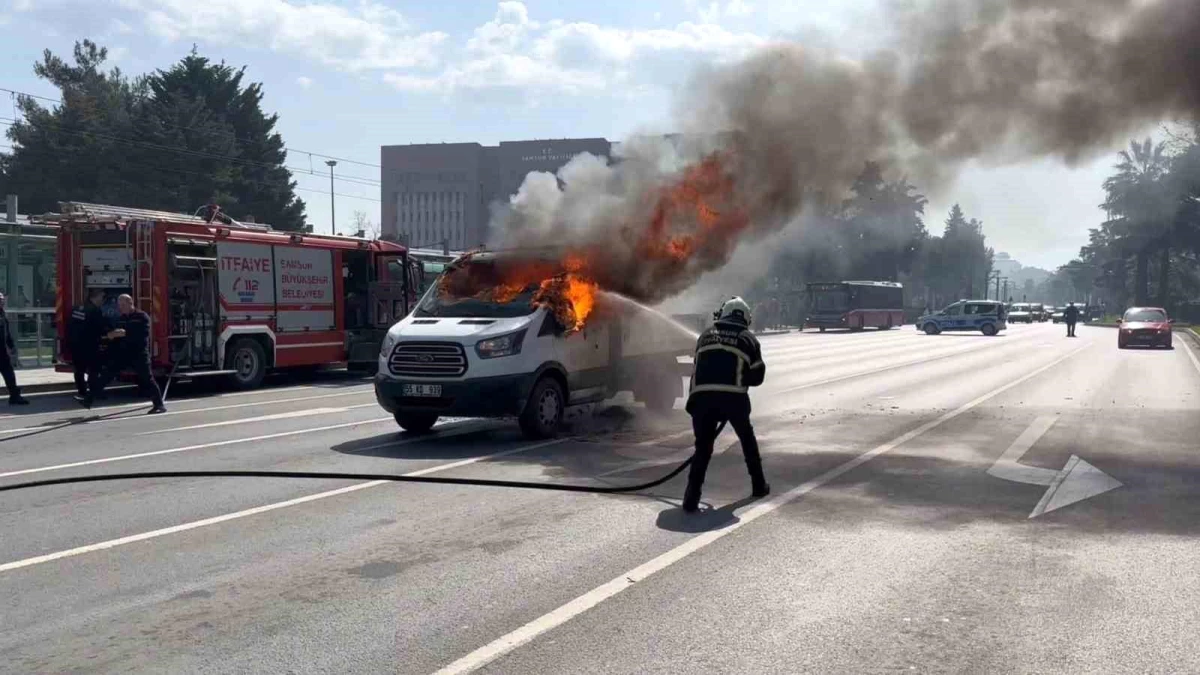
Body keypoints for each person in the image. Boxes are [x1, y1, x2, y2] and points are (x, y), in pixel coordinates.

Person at [682, 296, 769, 513]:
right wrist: (740, 377)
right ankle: (759, 486)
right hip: (733, 400)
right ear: (746, 318)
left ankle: (690, 499)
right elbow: (758, 376)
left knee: (703, 449)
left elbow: (698, 367)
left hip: (700, 399)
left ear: (722, 314)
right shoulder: (748, 339)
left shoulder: (704, 336)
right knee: (747, 440)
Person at [84, 294, 165, 414]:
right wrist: (110, 336)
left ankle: (159, 405)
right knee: (107, 375)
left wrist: (124, 333)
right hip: (123, 354)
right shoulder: (121, 318)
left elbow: (140, 335)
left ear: (130, 303)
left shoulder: (141, 317)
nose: (120, 308)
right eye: (119, 305)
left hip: (139, 354)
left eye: (122, 305)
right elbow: (117, 335)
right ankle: (88, 400)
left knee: (147, 379)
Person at [69, 288, 110, 402]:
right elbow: (101, 328)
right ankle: (95, 392)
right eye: (102, 297)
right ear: (95, 297)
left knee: (79, 370)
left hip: (75, 344)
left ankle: (82, 391)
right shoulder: (94, 310)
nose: (103, 301)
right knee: (94, 370)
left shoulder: (77, 308)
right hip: (89, 345)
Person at [0, 292, 29, 405]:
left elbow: (6, 332)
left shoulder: (2, 314)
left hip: (2, 352)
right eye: (0, 301)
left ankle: (14, 396)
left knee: (9, 374)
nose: (2, 302)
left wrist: (11, 346)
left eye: (2, 300)